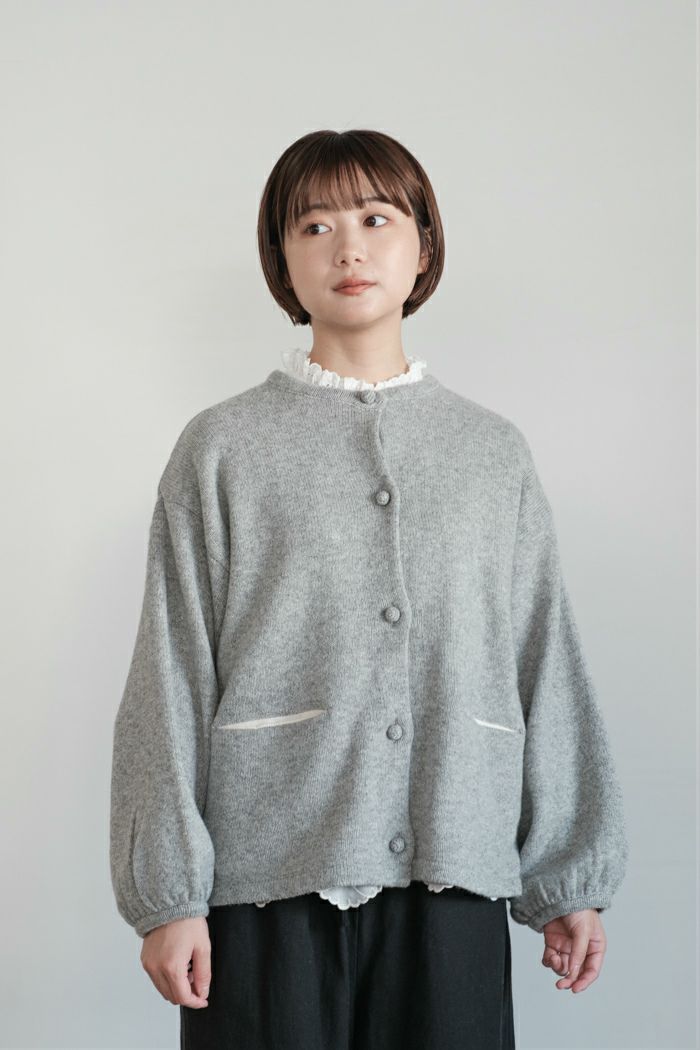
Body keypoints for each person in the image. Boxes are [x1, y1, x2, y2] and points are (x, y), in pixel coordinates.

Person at [109, 129, 629, 1049]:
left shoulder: (490, 452)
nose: (347, 247)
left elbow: (543, 657)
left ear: (423, 245)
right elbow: (170, 671)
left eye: (376, 218)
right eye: (314, 226)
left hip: (453, 866)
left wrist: (568, 872)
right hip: (266, 880)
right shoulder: (222, 448)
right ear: (281, 260)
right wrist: (169, 894)